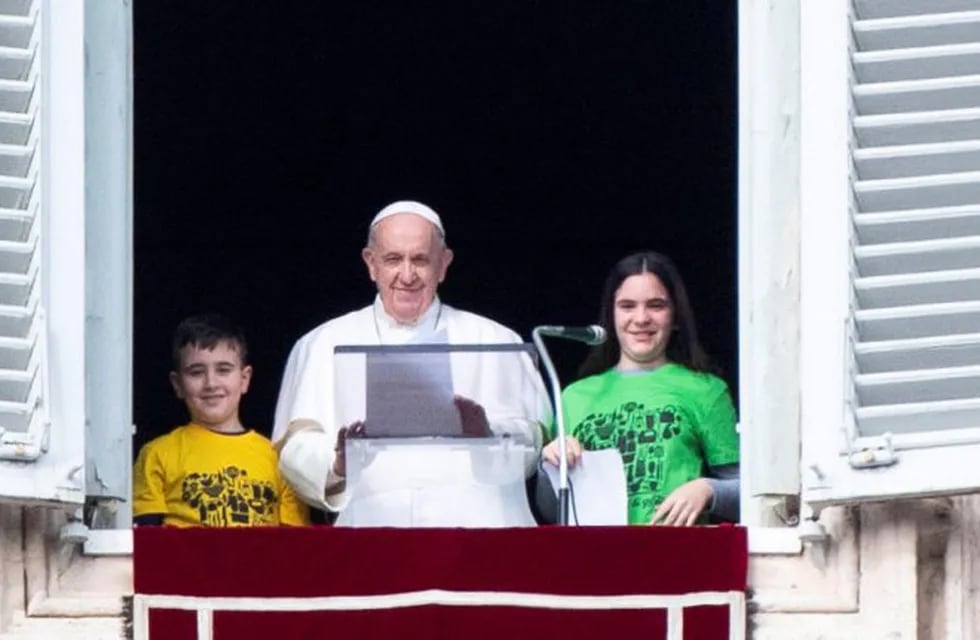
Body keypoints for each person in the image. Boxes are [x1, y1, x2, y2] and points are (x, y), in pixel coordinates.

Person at [272, 200, 551, 526]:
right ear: (370, 263)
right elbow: (295, 450)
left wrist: (488, 435)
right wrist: (337, 463)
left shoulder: (498, 340)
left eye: (420, 260)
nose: (407, 275)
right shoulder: (322, 343)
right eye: (393, 260)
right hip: (372, 533)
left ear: (443, 264)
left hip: (479, 535)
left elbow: (534, 440)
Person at [542, 251, 739, 526]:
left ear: (676, 316)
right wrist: (550, 464)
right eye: (627, 305)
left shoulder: (707, 390)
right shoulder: (574, 396)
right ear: (611, 315)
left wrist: (708, 489)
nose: (641, 318)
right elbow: (549, 510)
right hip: (595, 557)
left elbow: (753, 495)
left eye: (656, 305)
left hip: (677, 556)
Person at [133, 314, 309, 527]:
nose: (211, 383)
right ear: (177, 384)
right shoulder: (157, 454)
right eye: (196, 372)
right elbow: (146, 544)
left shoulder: (279, 459)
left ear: (244, 379)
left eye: (223, 370)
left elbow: (296, 546)